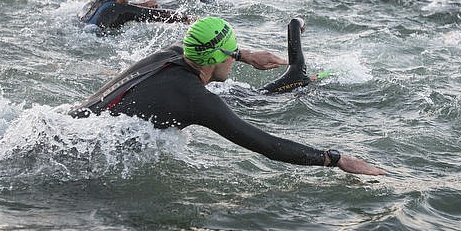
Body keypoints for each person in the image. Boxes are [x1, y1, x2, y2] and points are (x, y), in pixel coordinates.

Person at [70, 17, 385, 175]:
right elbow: (266, 144)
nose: (234, 59)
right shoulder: (194, 98)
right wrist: (336, 159)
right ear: (214, 60)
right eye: (231, 54)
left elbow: (204, 47)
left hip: (68, 125)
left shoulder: (169, 55)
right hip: (78, 159)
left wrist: (246, 55)